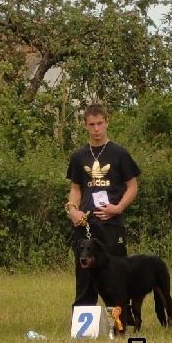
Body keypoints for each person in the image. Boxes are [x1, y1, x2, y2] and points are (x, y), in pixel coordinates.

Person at [66, 104, 141, 316]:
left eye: (100, 123)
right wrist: (73, 211)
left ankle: (120, 320)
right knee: (84, 276)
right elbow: (75, 189)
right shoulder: (78, 156)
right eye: (92, 124)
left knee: (116, 275)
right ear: (85, 126)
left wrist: (118, 208)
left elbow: (132, 186)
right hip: (87, 225)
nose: (96, 129)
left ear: (107, 122)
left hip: (112, 224)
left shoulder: (120, 153)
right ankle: (83, 321)